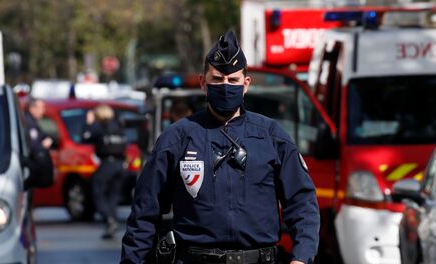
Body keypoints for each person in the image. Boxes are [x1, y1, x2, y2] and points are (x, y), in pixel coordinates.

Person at [121, 31, 320, 264]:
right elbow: (145, 212)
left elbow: (302, 203)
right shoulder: (177, 138)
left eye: (233, 80)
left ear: (245, 84)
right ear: (203, 83)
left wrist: (302, 257)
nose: (225, 86)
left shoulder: (272, 137)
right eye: (217, 79)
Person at [83, 104, 128, 239]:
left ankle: (109, 218)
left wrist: (89, 123)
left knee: (97, 191)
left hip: (107, 163)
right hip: (121, 164)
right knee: (113, 195)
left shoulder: (99, 127)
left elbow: (85, 137)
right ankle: (111, 223)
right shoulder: (119, 126)